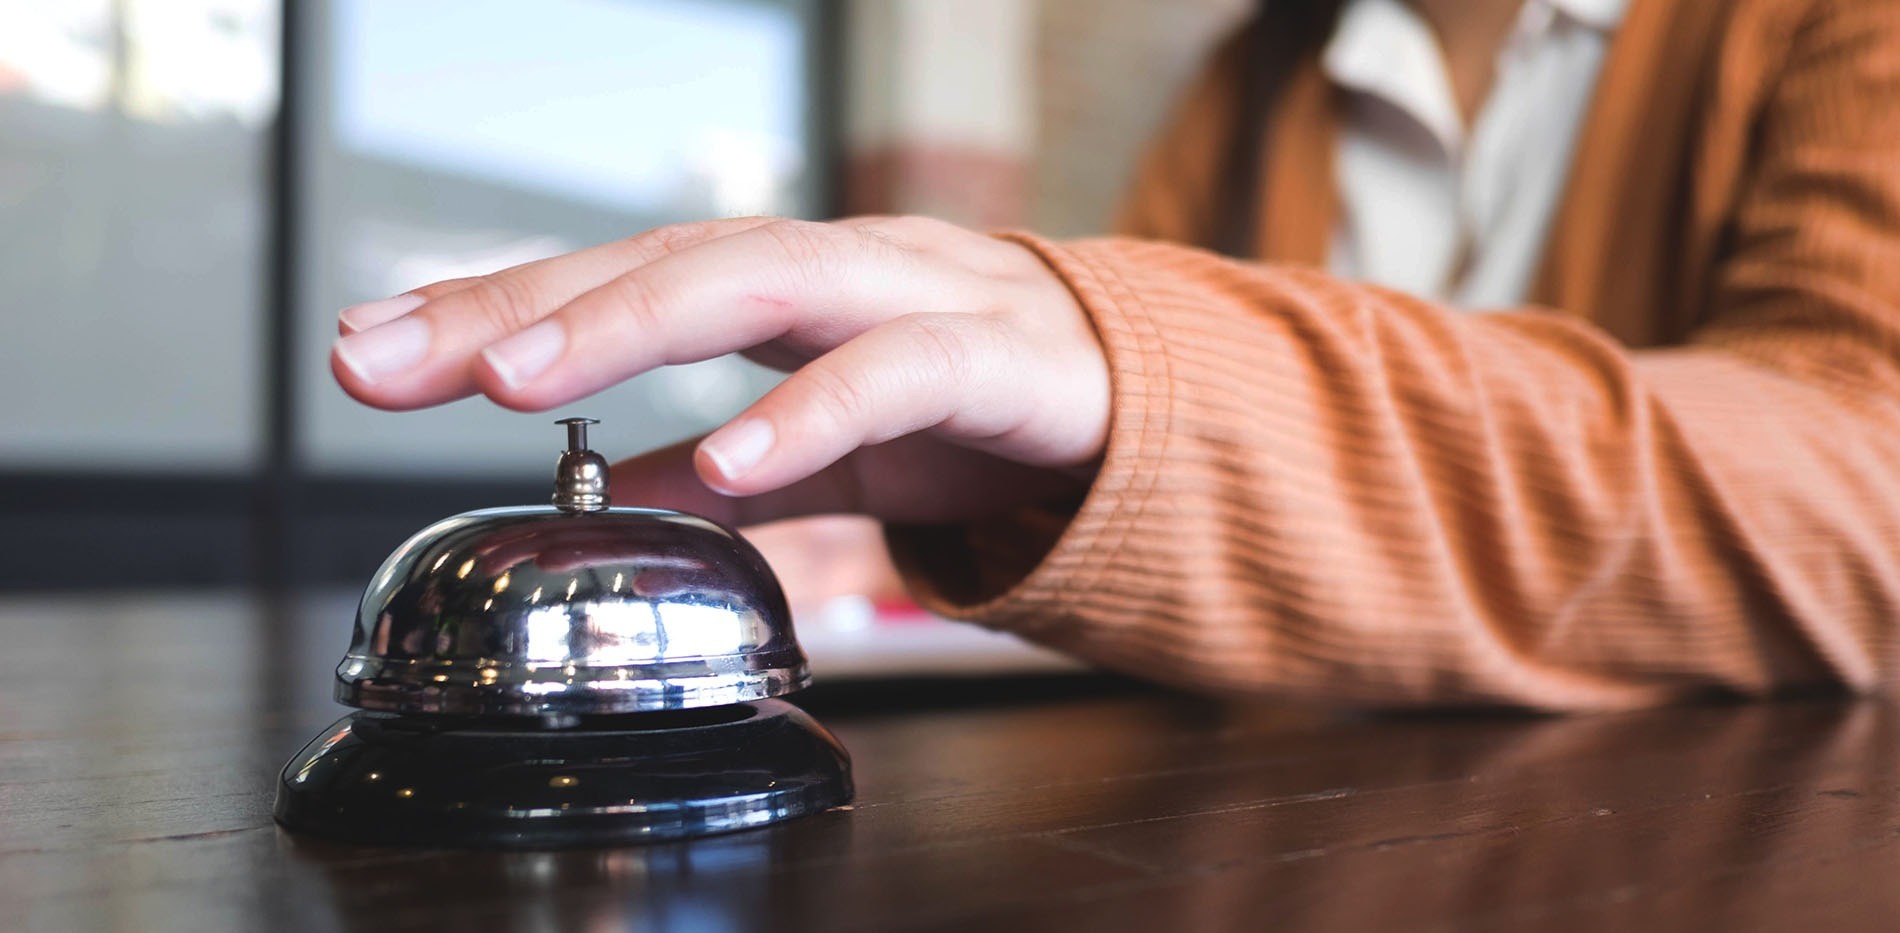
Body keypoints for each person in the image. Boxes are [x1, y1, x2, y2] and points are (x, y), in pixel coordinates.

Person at [327, 0, 1900, 709]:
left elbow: (1867, 487)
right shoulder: (1259, 76)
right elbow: (1103, 453)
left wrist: (1158, 377)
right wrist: (894, 532)